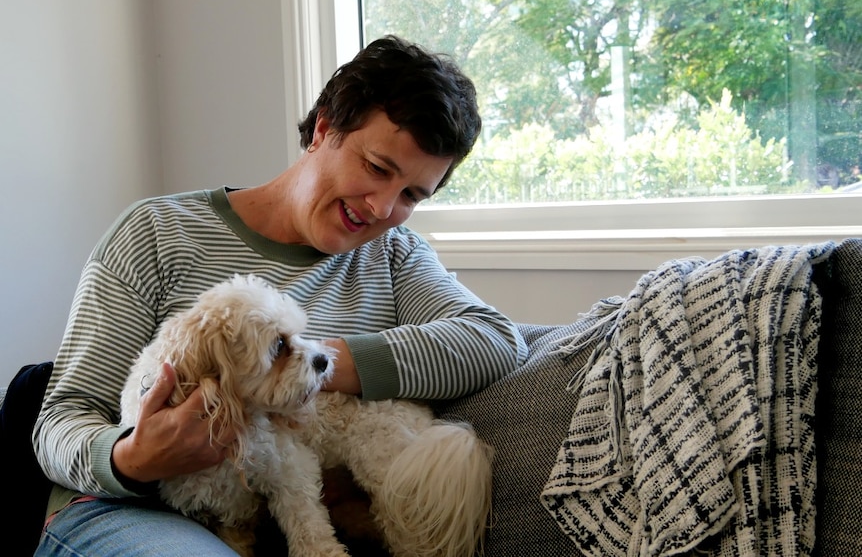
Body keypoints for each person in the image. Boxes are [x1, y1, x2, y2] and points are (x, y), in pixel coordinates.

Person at [33, 35, 527, 556]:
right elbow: (60, 419)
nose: (383, 208)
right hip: (138, 513)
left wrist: (308, 367)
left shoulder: (395, 255)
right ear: (323, 129)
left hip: (303, 516)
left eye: (410, 195)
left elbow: (493, 339)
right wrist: (130, 458)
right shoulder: (156, 234)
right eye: (378, 169)